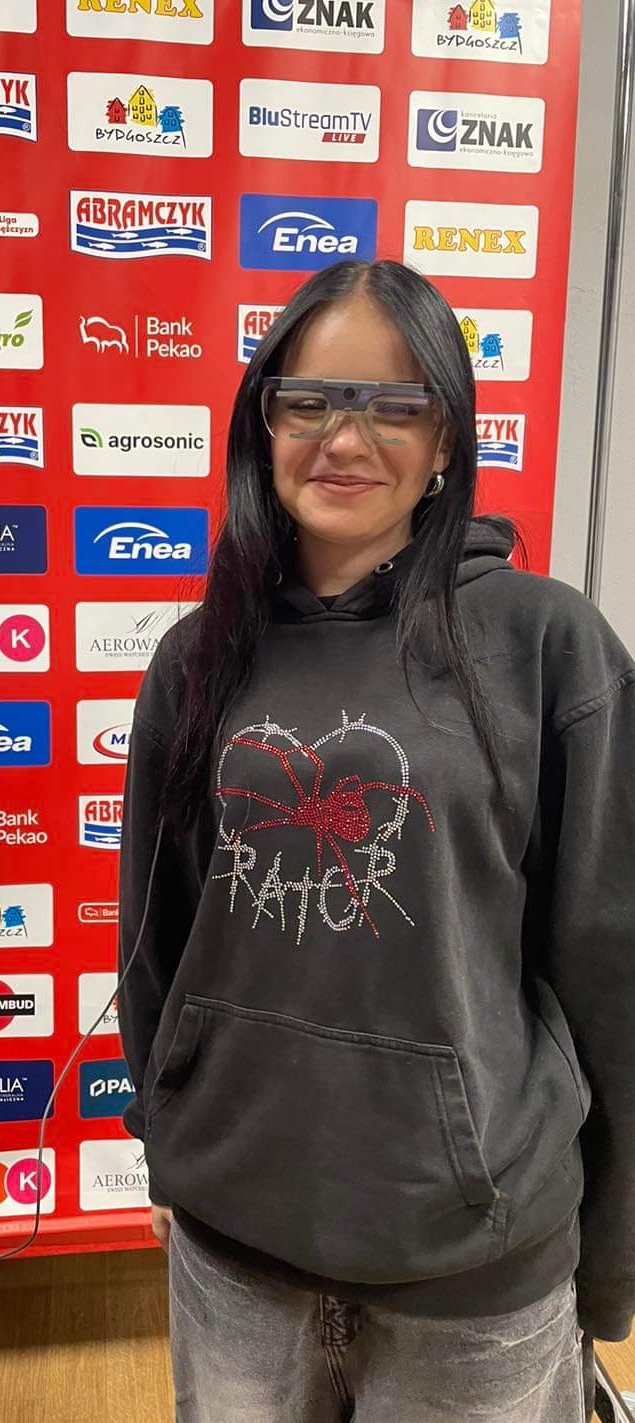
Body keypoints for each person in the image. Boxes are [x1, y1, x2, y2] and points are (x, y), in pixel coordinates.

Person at [117, 258, 635, 1422]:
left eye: (395, 405)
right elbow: (158, 945)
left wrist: (611, 1263)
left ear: (446, 439)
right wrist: (167, 1140)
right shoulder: (198, 657)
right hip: (236, 1245)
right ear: (264, 422)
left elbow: (612, 974)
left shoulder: (547, 647)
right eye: (309, 400)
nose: (344, 438)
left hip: (475, 1269)